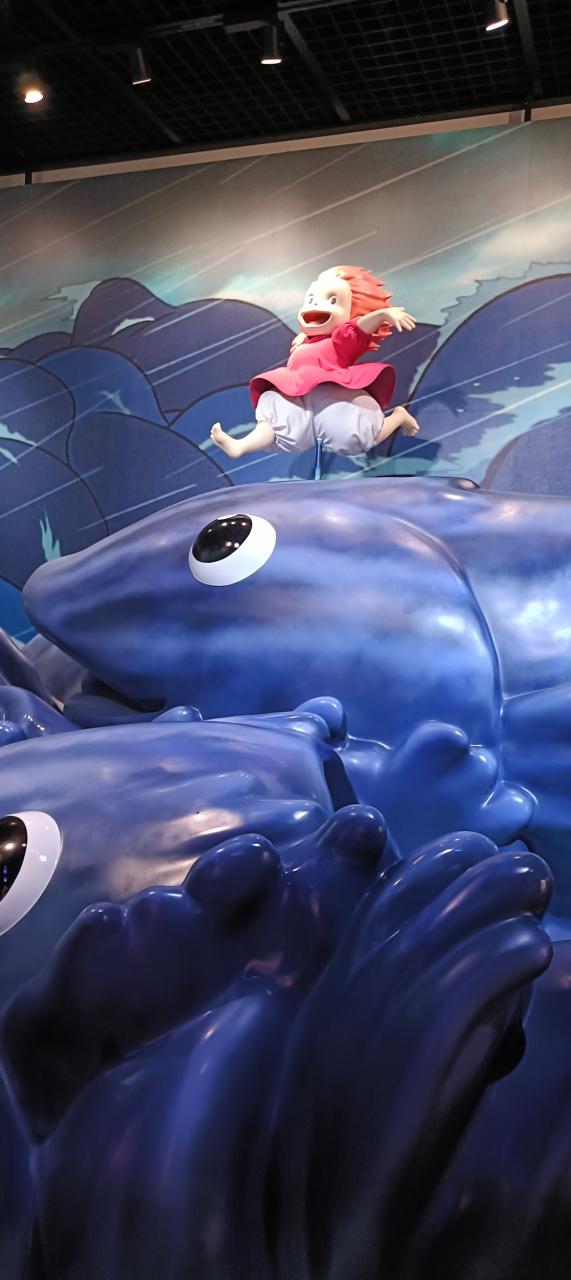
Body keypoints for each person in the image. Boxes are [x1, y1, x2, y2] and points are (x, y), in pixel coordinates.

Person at [211, 264, 420, 459]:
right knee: (277, 421)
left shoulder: (341, 341)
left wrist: (380, 315)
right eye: (310, 299)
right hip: (299, 393)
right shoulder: (302, 342)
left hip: (334, 394)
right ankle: (241, 446)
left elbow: (358, 328)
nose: (316, 304)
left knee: (353, 435)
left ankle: (398, 417)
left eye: (332, 300)